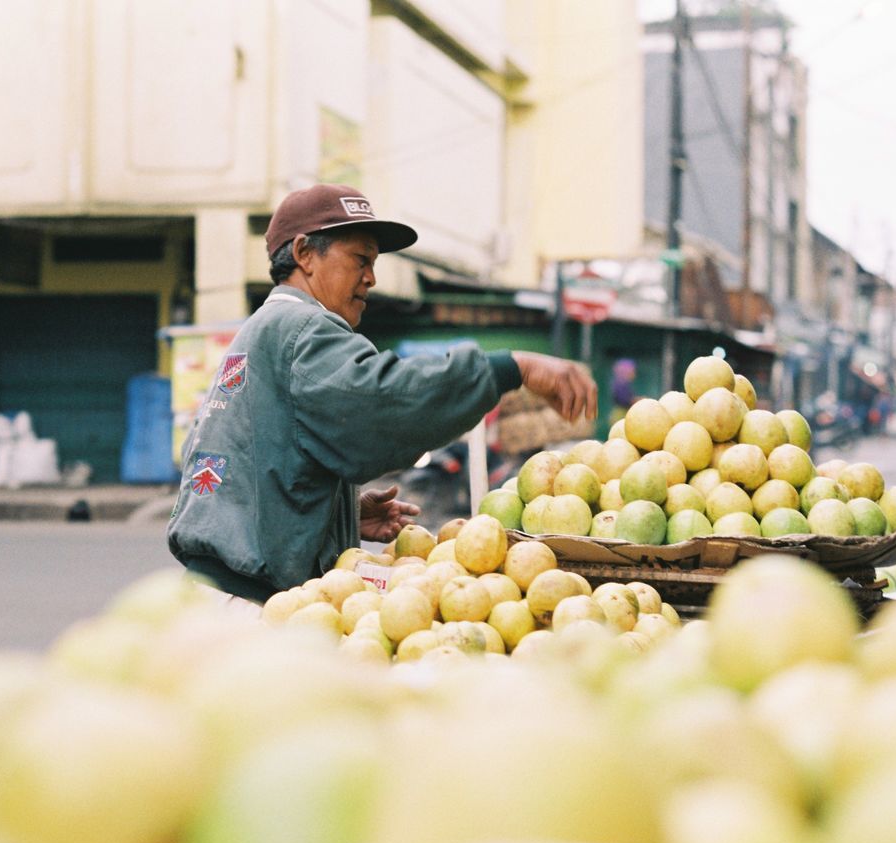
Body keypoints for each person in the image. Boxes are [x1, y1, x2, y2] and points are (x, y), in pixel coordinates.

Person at [166, 183, 597, 604]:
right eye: (360, 260)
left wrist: (338, 516)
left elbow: (257, 463)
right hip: (247, 599)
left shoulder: (261, 331)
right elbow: (383, 403)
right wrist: (511, 367)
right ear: (303, 254)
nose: (370, 278)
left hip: (216, 589)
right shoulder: (304, 329)